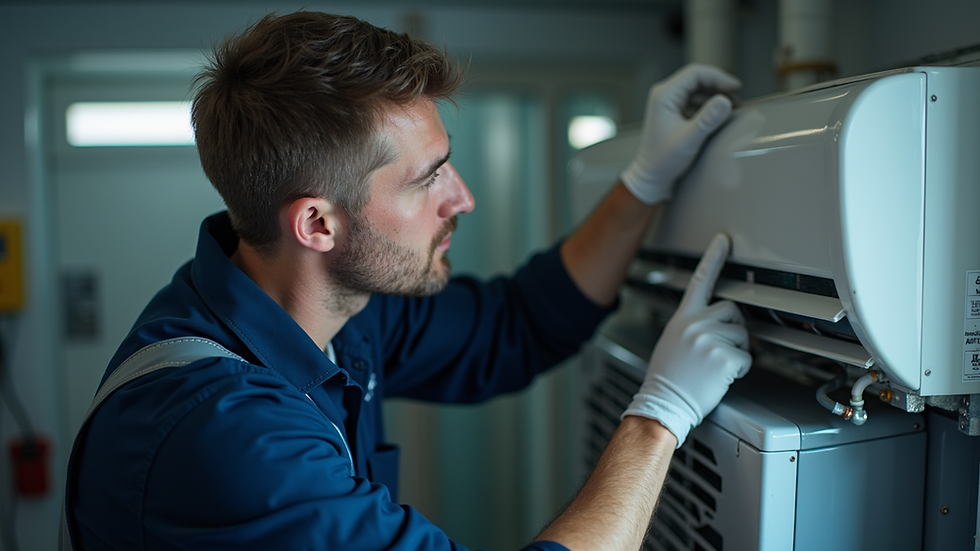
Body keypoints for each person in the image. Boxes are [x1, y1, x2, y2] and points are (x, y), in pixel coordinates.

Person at [63, 11, 750, 551]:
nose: (462, 198)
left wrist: (645, 182)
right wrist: (658, 418)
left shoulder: (337, 308)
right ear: (318, 225)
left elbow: (514, 325)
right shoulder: (228, 437)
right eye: (428, 179)